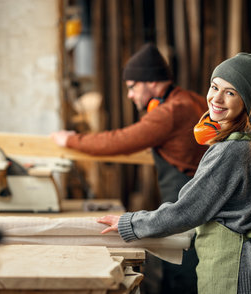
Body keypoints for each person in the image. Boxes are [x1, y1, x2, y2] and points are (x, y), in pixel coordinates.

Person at [97, 52, 251, 294]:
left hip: (234, 265)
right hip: (243, 259)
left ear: (245, 102)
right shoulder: (248, 138)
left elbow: (187, 210)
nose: (216, 98)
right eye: (215, 87)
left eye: (230, 92)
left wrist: (129, 222)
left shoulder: (229, 150)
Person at [52, 43, 208, 294]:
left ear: (151, 82)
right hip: (198, 204)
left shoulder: (169, 112)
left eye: (132, 87)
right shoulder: (191, 100)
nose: (129, 95)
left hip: (185, 209)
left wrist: (69, 140)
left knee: (183, 274)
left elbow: (119, 141)